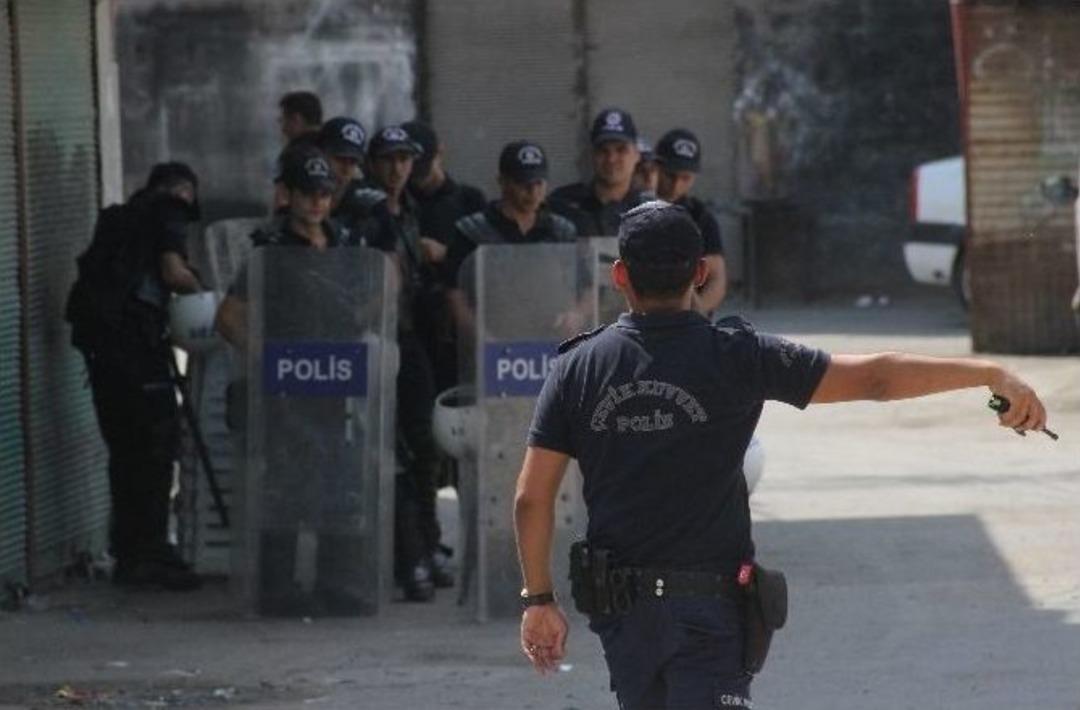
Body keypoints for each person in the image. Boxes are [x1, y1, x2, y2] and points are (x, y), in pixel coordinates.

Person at [513, 201, 1050, 709]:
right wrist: (987, 374)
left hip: (624, 619)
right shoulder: (738, 356)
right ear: (700, 272)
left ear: (621, 277)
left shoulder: (576, 369)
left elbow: (531, 500)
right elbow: (877, 379)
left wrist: (539, 599)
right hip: (709, 616)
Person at [65, 163, 204, 591]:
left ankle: (130, 551)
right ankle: (151, 552)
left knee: (126, 451)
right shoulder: (168, 211)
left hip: (101, 352)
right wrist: (212, 296)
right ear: (182, 192)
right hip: (136, 350)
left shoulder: (118, 218)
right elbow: (173, 273)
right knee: (157, 446)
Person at [332, 125, 448, 601]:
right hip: (369, 339)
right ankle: (409, 558)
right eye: (389, 160)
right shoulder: (363, 211)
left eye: (406, 159)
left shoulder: (410, 210)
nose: (399, 168)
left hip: (407, 336)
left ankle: (427, 546)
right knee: (388, 449)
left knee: (425, 444)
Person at [443, 140, 578, 330]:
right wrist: (478, 336)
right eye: (523, 183)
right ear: (502, 181)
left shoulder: (561, 232)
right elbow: (454, 293)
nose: (532, 191)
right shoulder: (473, 232)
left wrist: (575, 315)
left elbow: (583, 286)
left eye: (538, 183)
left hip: (550, 342)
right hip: (493, 341)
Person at [402, 119, 486, 393]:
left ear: (440, 153)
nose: (419, 176)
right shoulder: (400, 203)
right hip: (411, 311)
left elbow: (487, 261)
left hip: (456, 314)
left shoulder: (468, 200)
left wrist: (445, 254)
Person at [654, 127, 727, 314]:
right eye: (670, 175)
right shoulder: (636, 208)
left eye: (685, 178)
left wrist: (696, 314)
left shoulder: (701, 217)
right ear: (656, 169)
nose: (676, 185)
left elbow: (717, 277)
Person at [549, 107, 650, 237]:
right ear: (592, 154)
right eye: (603, 150)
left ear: (637, 155)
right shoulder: (563, 204)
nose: (611, 159)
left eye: (621, 150)